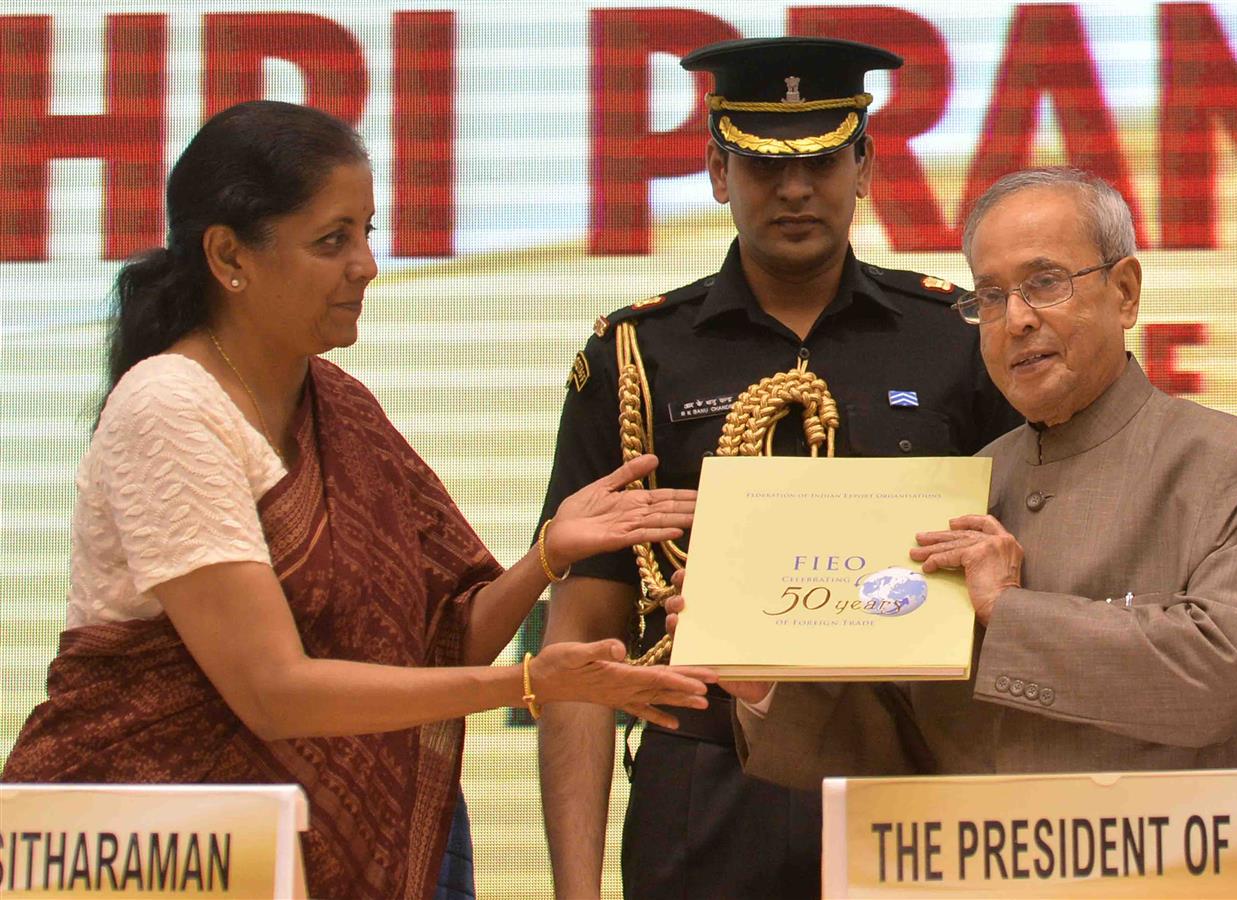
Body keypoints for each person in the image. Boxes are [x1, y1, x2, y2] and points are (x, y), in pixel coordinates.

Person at [0, 100, 715, 900]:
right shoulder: (169, 406)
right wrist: (532, 686)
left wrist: (548, 556)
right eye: (331, 240)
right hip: (153, 857)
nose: (367, 265)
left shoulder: (337, 404)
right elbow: (275, 693)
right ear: (229, 255)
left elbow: (445, 647)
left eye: (368, 234)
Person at [536, 38, 1022, 899]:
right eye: (762, 166)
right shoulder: (638, 357)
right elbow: (584, 633)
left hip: (912, 771)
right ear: (718, 172)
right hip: (708, 780)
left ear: (865, 165)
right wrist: (574, 889)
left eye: (824, 160)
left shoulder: (953, 337)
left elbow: (1021, 581)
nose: (795, 189)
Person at [715, 166, 1237, 786]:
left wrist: (1008, 610)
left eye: (1044, 283)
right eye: (990, 297)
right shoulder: (964, 487)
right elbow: (905, 755)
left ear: (1126, 292)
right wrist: (767, 691)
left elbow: (1213, 680)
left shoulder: (1232, 466)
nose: (1016, 319)